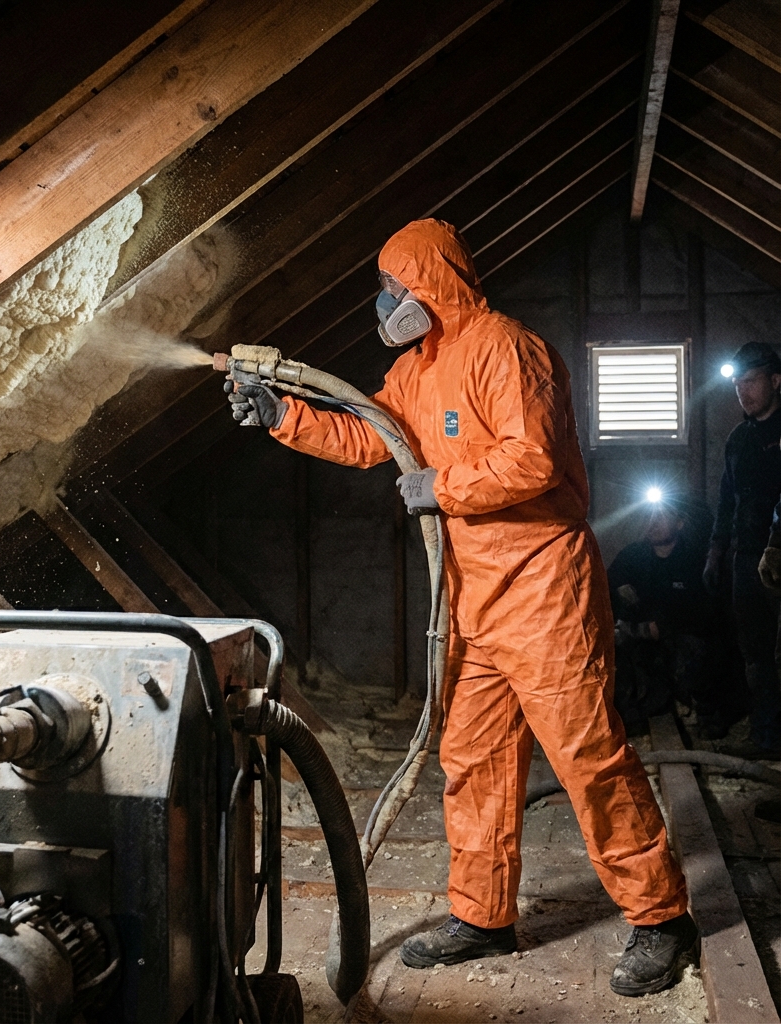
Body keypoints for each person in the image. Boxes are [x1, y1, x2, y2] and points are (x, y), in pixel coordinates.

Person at [226, 219, 694, 997]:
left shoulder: (507, 347)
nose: (385, 302)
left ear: (428, 283)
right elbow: (369, 435)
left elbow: (533, 459)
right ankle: (482, 916)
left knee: (589, 758)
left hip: (545, 591)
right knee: (472, 761)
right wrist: (283, 418)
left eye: (392, 287)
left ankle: (661, 918)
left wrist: (440, 488)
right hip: (471, 599)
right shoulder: (418, 368)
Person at [703, 342, 781, 756]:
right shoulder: (739, 439)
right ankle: (766, 736)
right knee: (755, 652)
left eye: (750, 382)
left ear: (775, 380)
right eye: (737, 385)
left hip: (780, 561)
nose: (743, 392)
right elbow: (726, 500)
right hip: (746, 558)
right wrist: (718, 551)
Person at [608, 497, 716, 736]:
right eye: (649, 516)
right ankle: (632, 714)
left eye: (661, 516)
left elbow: (705, 611)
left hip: (681, 642)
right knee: (621, 656)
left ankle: (703, 713)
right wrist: (620, 597)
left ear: (679, 523)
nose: (653, 522)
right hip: (642, 642)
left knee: (697, 653)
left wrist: (665, 625)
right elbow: (604, 589)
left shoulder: (694, 560)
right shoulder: (632, 556)